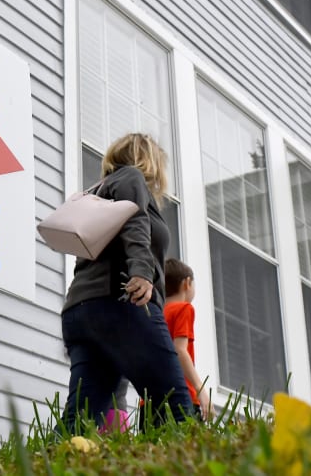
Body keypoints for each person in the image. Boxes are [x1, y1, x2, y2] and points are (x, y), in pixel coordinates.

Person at [60, 133, 193, 433]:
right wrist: (143, 273)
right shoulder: (131, 179)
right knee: (176, 409)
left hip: (81, 313)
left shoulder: (98, 193)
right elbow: (135, 223)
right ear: (150, 161)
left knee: (80, 420)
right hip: (123, 305)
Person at [164, 257, 213, 421]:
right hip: (182, 395)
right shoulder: (184, 308)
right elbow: (180, 349)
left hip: (151, 399)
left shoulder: (156, 313)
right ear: (187, 283)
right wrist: (200, 389)